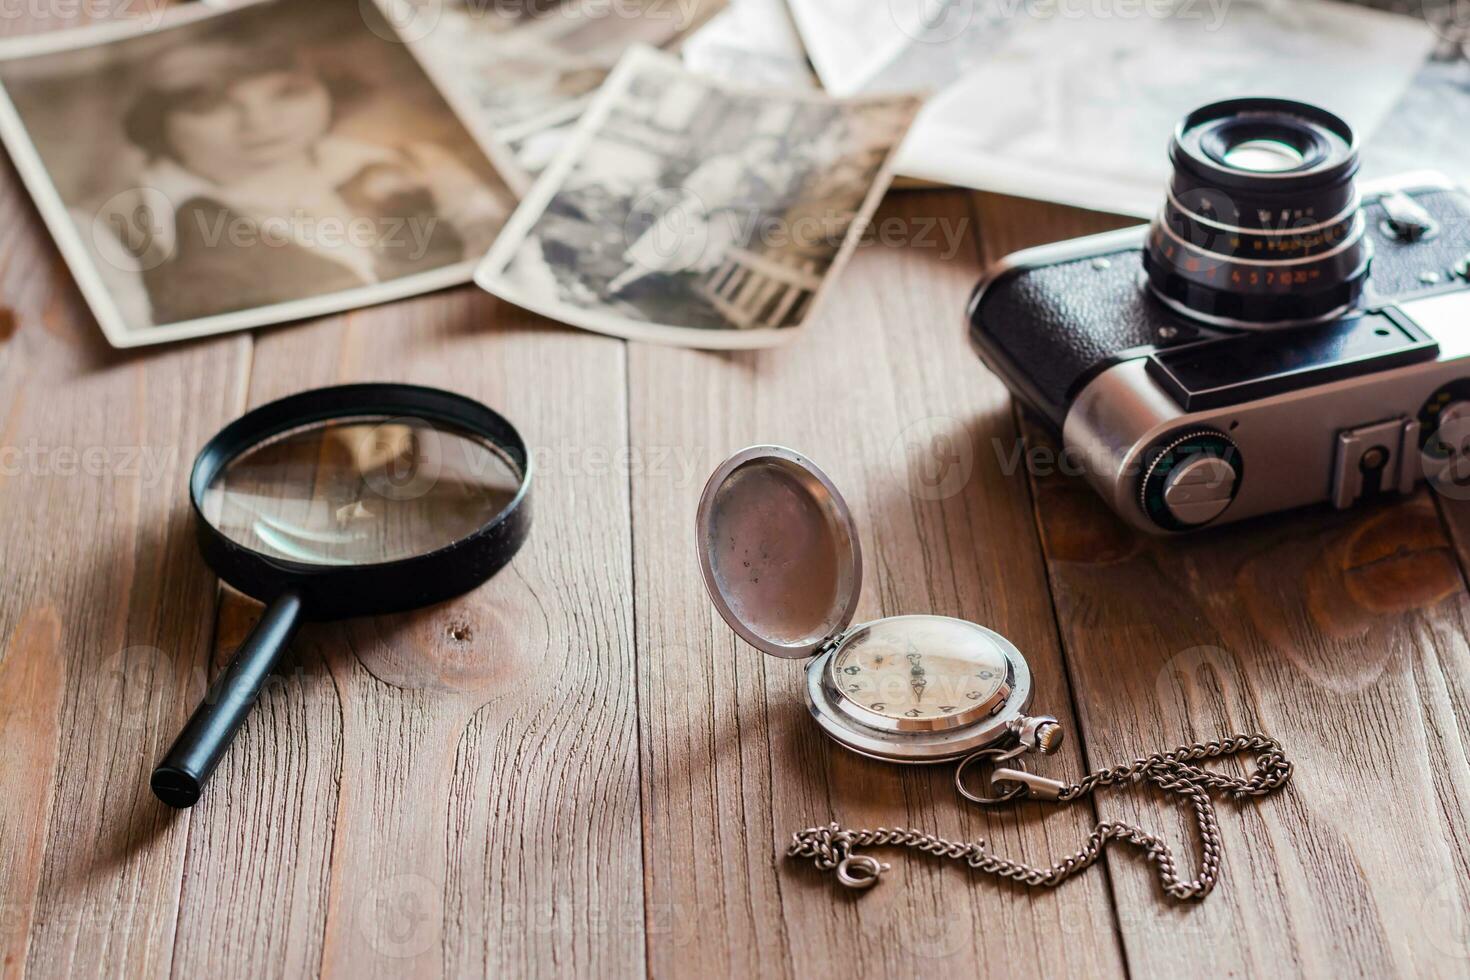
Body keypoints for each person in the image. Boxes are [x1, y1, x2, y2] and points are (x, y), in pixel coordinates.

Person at [87, 37, 506, 328]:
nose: (260, 123)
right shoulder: (116, 229)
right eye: (211, 105)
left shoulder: (410, 167)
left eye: (287, 94)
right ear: (158, 120)